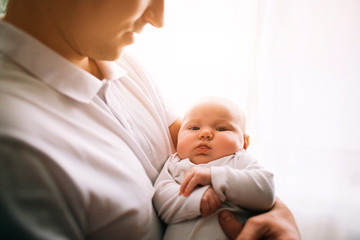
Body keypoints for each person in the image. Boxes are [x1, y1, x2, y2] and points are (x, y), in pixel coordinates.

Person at [0, 0, 301, 239]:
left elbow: (215, 153)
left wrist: (276, 212)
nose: (158, 18)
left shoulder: (124, 65)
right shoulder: (14, 145)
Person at [153, 97, 276, 240]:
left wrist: (215, 176)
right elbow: (161, 198)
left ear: (244, 143)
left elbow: (266, 190)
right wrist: (195, 199)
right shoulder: (175, 163)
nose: (205, 134)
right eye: (194, 128)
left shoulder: (239, 160)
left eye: (221, 128)